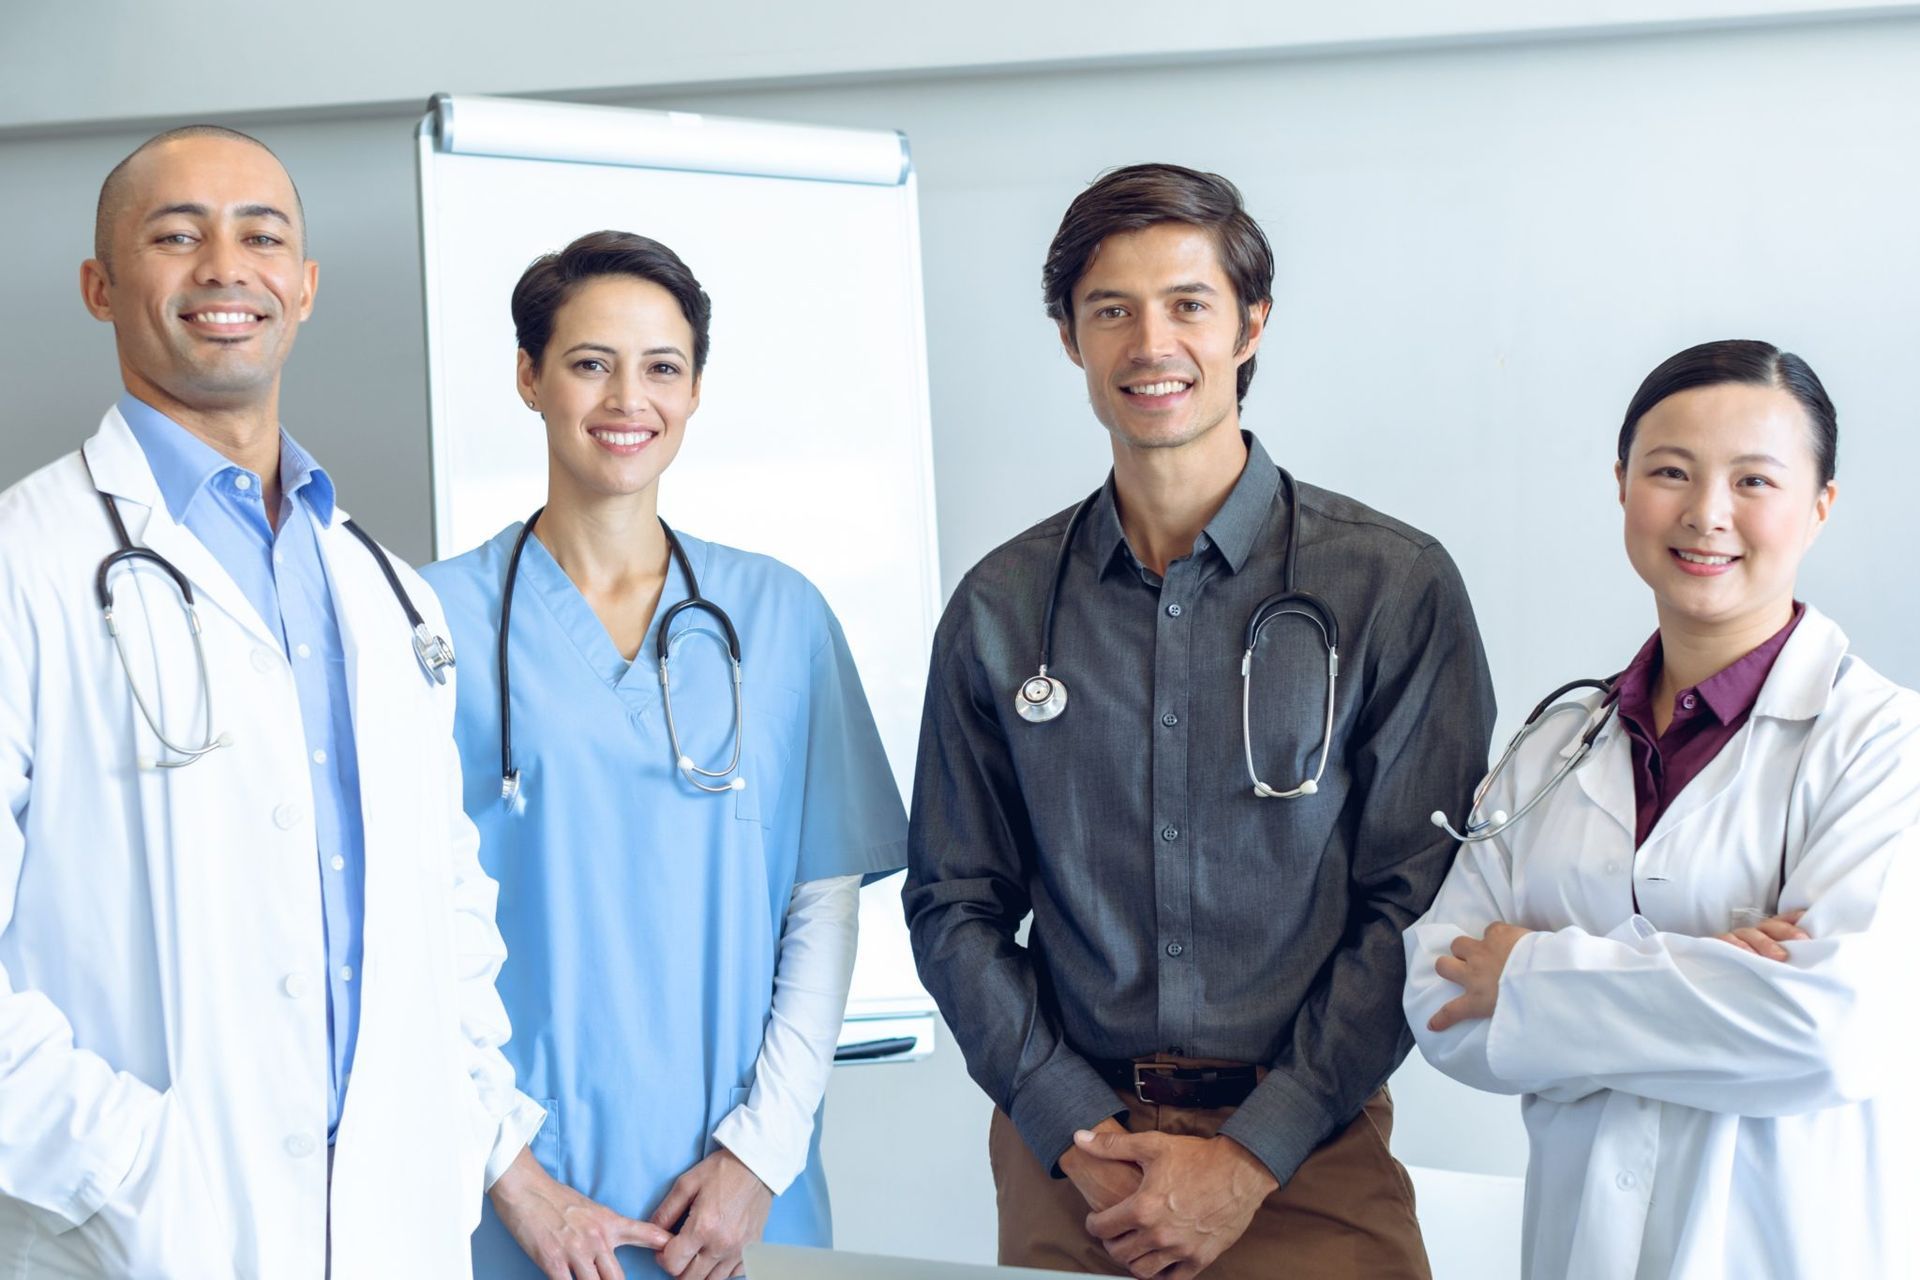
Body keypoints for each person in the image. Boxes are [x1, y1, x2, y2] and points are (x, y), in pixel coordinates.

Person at [905, 163, 1495, 1279]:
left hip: (1308, 1153)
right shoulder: (1001, 606)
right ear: (1070, 338)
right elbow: (954, 901)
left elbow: (1417, 900)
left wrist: (1253, 1152)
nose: (1149, 343)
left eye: (1188, 304)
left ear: (1250, 323)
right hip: (1078, 1167)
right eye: (1110, 311)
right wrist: (1072, 1126)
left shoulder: (1390, 586)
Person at [0, 125, 545, 1276]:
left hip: (389, 1220)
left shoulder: (386, 590)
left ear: (302, 285)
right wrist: (129, 1169)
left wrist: (459, 1138)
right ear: (101, 287)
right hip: (140, 1229)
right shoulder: (25, 563)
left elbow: (448, 911)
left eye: (261, 235)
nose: (223, 267)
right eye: (175, 234)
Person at [422, 230, 907, 1280]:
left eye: (661, 367)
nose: (625, 398)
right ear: (530, 377)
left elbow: (821, 908)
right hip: (514, 1202)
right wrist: (516, 1178)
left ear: (693, 391)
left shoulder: (779, 615)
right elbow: (396, 925)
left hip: (733, 1206)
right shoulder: (428, 621)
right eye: (591, 361)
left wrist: (759, 1154)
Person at [1404, 340, 1920, 1279]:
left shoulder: (1885, 745)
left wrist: (1529, 973)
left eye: (1754, 480)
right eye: (1670, 472)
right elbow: (1440, 995)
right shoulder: (1558, 745)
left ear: (1820, 507)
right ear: (1623, 485)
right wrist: (1713, 978)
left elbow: (1828, 1029)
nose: (1706, 514)